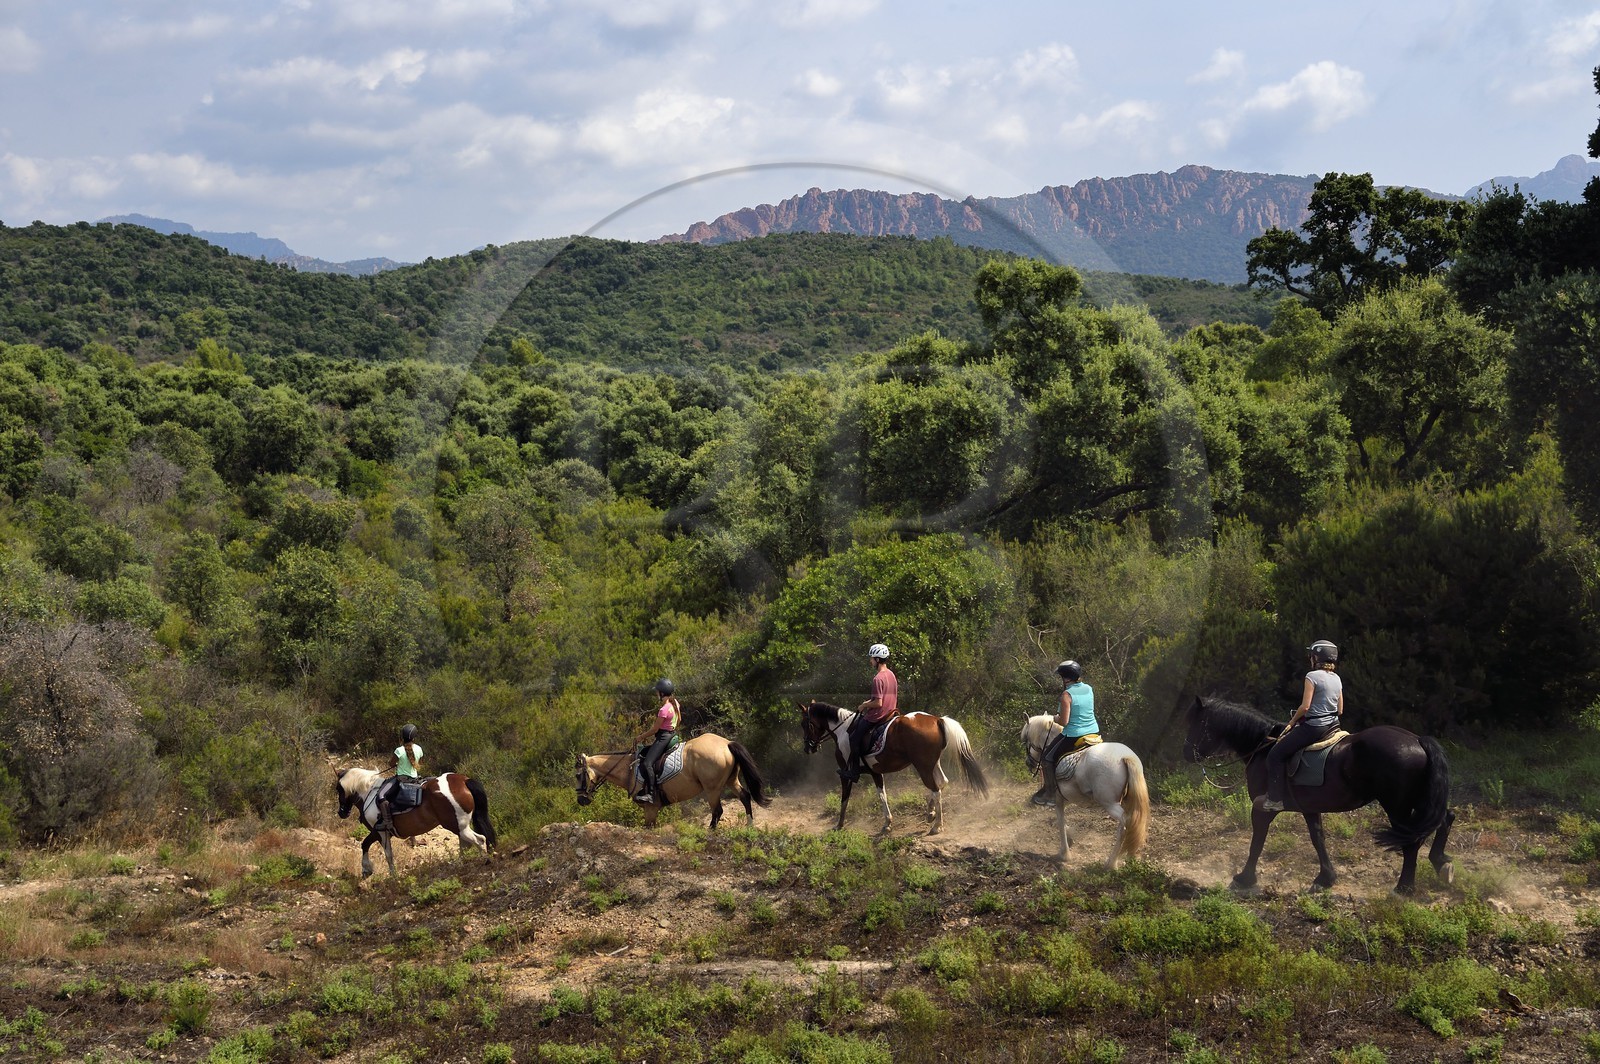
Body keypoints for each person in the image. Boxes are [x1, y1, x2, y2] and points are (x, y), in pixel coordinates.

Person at [1263, 640, 1344, 812]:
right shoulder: (1337, 678)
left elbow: (1305, 707)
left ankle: (1275, 800)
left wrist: (1292, 722)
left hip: (1315, 727)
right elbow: (1340, 709)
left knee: (1275, 755)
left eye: (1311, 656)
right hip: (1333, 725)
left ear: (1315, 658)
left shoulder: (1312, 676)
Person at [1031, 660, 1101, 807]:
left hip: (1073, 734)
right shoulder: (1088, 688)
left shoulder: (1066, 695)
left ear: (1066, 678)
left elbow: (1064, 722)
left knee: (1046, 758)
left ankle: (1050, 794)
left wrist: (1054, 718)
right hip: (1093, 731)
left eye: (1061, 676)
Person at [841, 644, 897, 783]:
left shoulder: (878, 678)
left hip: (877, 716)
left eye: (871, 658)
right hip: (891, 713)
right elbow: (884, 697)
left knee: (853, 739)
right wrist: (868, 701)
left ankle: (854, 772)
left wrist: (864, 705)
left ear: (877, 659)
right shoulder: (891, 674)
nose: (870, 661)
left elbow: (878, 703)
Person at [635, 679, 681, 803]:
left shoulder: (664, 710)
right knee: (644, 752)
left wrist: (641, 737)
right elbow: (679, 719)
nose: (656, 694)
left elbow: (655, 729)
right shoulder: (675, 703)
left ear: (661, 693)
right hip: (671, 734)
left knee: (647, 764)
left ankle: (650, 794)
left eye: (657, 692)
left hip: (663, 737)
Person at [376, 724, 424, 834]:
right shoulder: (419, 749)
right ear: (414, 737)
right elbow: (420, 763)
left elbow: (391, 763)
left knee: (381, 795)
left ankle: (387, 823)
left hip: (401, 780)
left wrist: (398, 763)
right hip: (415, 779)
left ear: (402, 737)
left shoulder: (399, 750)